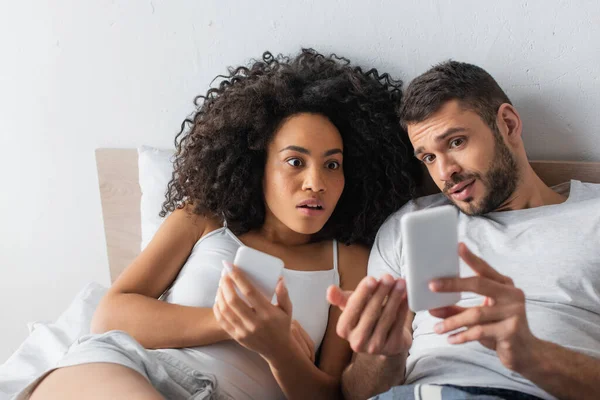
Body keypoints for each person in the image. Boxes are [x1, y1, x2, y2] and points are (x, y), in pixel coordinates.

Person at [22, 49, 421, 400]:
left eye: (332, 165)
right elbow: (110, 315)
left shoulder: (348, 261)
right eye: (295, 162)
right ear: (258, 165)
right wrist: (230, 323)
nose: (316, 182)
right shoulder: (204, 218)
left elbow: (331, 396)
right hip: (130, 370)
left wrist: (278, 347)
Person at [328, 60, 600, 400]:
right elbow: (359, 393)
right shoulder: (407, 226)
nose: (444, 173)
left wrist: (532, 354)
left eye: (456, 142)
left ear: (508, 124)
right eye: (427, 157)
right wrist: (383, 354)